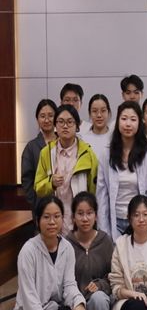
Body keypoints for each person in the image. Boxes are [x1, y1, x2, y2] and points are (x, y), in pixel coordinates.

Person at [11, 196, 91, 310]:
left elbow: (69, 284)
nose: (52, 222)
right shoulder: (28, 251)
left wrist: (78, 301)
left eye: (57, 216)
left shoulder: (67, 248)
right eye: (46, 217)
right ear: (37, 220)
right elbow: (30, 300)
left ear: (63, 218)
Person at [96, 101, 147, 241]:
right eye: (124, 119)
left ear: (139, 123)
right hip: (114, 220)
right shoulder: (106, 154)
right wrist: (104, 229)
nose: (128, 124)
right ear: (117, 122)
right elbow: (102, 194)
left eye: (133, 119)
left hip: (139, 220)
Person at [65, 192, 114, 310]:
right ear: (73, 217)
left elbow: (115, 276)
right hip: (74, 302)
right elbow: (62, 280)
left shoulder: (105, 241)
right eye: (80, 213)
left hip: (99, 302)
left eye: (89, 213)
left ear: (96, 215)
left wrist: (101, 284)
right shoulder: (66, 244)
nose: (85, 218)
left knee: (99, 300)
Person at [34, 105, 99, 235]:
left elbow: (94, 191)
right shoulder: (46, 153)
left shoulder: (88, 153)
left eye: (70, 122)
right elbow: (38, 187)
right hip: (54, 219)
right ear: (55, 126)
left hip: (80, 219)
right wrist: (51, 183)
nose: (65, 126)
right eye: (60, 122)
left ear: (77, 126)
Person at [21, 99, 57, 210]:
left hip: (64, 203)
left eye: (50, 115)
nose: (46, 120)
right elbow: (27, 179)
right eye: (42, 116)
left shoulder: (64, 143)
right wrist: (35, 202)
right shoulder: (31, 147)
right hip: (41, 206)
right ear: (37, 119)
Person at [80, 94, 112, 162]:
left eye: (103, 111)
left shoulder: (115, 138)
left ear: (108, 112)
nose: (99, 115)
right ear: (89, 113)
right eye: (94, 111)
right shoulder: (82, 140)